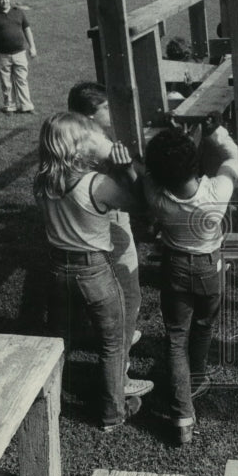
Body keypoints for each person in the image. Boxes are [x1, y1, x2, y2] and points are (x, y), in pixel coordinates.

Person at [34, 112, 147, 431]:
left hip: (57, 268)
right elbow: (137, 203)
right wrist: (126, 170)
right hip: (93, 270)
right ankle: (112, 414)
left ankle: (47, 402)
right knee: (112, 343)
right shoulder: (95, 184)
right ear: (76, 147)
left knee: (58, 341)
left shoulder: (43, 181)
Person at [143, 113, 238, 445]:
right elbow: (231, 157)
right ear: (196, 164)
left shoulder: (157, 197)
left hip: (175, 267)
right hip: (210, 268)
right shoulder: (217, 190)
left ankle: (182, 416)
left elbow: (149, 172)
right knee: (204, 325)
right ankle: (196, 376)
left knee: (174, 337)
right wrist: (214, 132)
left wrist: (174, 139)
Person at [67, 82, 149, 396]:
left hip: (87, 225)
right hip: (110, 219)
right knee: (129, 294)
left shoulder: (68, 134)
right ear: (90, 114)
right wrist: (129, 169)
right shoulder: (97, 143)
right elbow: (137, 199)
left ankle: (121, 338)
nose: (111, 112)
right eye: (105, 108)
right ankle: (122, 375)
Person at [0, 0, 37, 114]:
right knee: (6, 82)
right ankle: (10, 106)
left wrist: (32, 47)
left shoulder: (19, 12)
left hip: (20, 53)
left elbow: (27, 30)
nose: (4, 1)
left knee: (22, 79)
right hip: (1, 55)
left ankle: (26, 106)